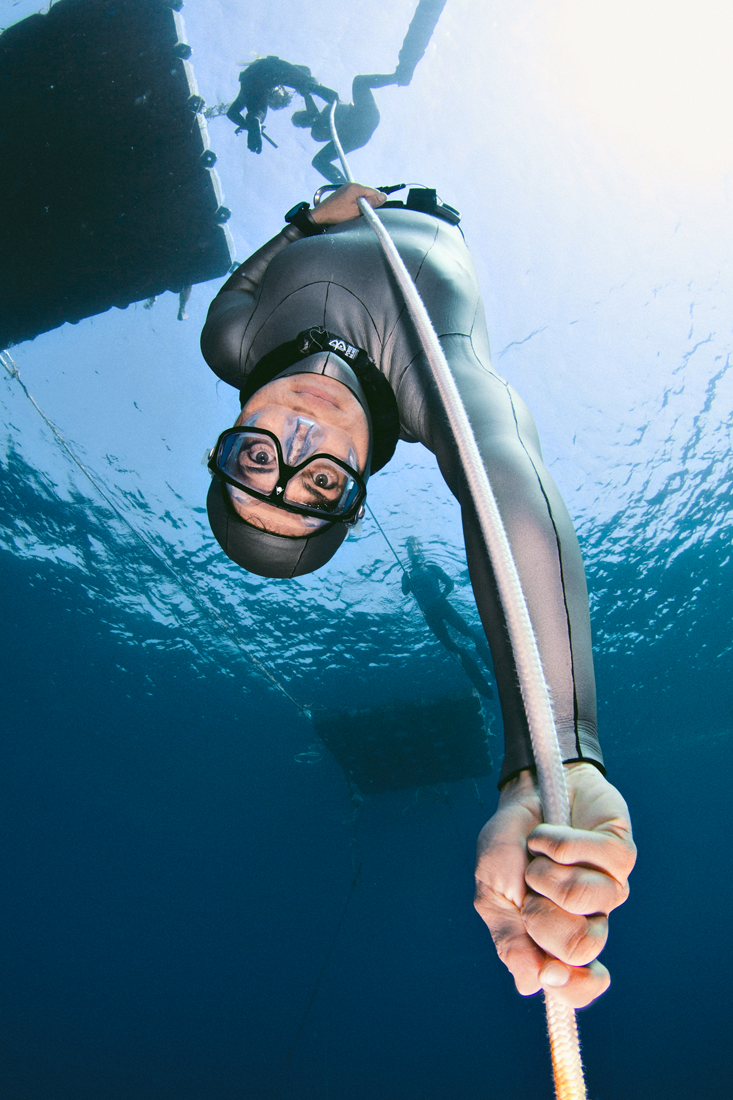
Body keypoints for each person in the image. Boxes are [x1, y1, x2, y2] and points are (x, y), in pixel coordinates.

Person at [200, 183, 636, 1009]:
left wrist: (306, 218)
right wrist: (555, 761)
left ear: (224, 447)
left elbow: (248, 283)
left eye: (255, 462)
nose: (300, 435)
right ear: (356, 489)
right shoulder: (431, 382)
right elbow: (500, 476)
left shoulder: (226, 339)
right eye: (320, 478)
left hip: (358, 203)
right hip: (432, 223)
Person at [401, 536, 494, 698]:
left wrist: (442, 596)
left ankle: (486, 656)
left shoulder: (432, 567)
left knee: (468, 632)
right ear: (408, 555)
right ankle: (469, 662)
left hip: (442, 607)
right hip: (430, 614)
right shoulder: (407, 575)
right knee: (450, 645)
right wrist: (406, 581)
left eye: (415, 548)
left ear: (420, 551)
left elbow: (450, 584)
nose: (413, 552)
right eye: (410, 549)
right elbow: (405, 591)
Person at [292, 73, 398, 185]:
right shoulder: (316, 133)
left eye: (302, 116)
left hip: (364, 115)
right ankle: (344, 186)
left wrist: (311, 89)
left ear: (305, 111)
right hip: (356, 135)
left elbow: (335, 97)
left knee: (359, 81)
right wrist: (308, 96)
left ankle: (398, 77)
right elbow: (319, 122)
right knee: (318, 161)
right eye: (302, 123)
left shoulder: (329, 108)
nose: (305, 121)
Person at [227, 56, 336, 154]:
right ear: (281, 90)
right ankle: (328, 94)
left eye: (274, 102)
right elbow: (306, 75)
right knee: (306, 83)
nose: (274, 98)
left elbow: (231, 113)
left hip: (249, 76)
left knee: (258, 114)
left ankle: (255, 122)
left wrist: (248, 126)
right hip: (269, 69)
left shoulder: (252, 93)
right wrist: (309, 92)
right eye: (278, 99)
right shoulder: (281, 76)